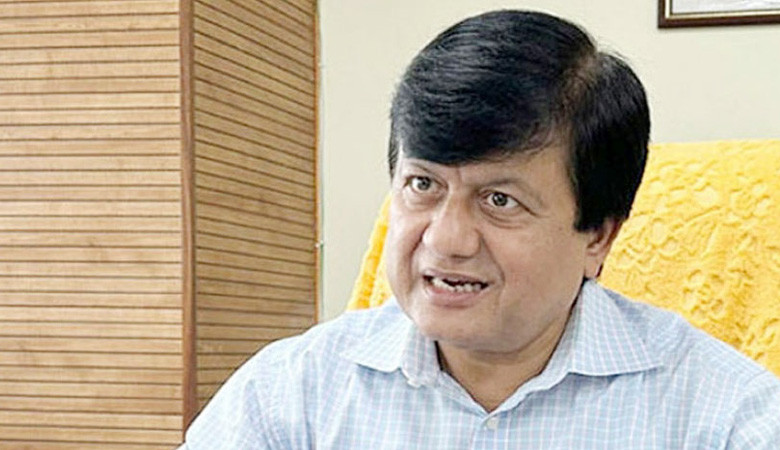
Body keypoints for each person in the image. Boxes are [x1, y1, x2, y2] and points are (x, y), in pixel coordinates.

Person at [179, 10, 780, 448]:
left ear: (598, 235)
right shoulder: (290, 395)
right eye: (423, 185)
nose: (445, 240)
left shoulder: (723, 415)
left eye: (499, 200)